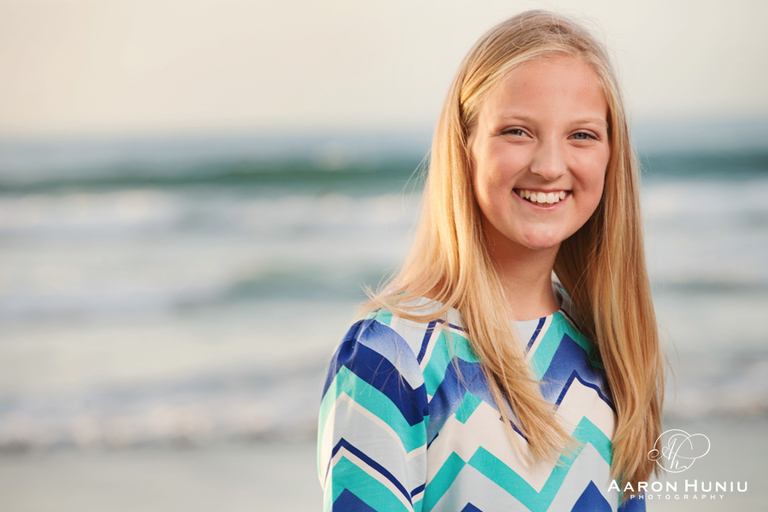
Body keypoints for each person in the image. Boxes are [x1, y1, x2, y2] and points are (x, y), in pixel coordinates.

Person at [317, 10, 664, 512]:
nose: (549, 166)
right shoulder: (391, 358)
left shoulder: (611, 355)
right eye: (517, 131)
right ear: (465, 146)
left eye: (582, 135)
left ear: (612, 155)